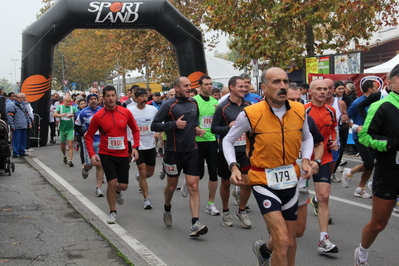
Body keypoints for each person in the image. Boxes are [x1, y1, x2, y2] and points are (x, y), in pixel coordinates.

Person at [222, 68, 314, 266]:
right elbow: (228, 140)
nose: (282, 86)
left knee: (289, 241)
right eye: (276, 82)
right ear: (264, 88)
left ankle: (264, 249)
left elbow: (307, 137)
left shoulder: (299, 110)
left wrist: (306, 159)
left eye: (285, 81)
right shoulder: (250, 114)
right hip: (263, 180)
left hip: (291, 179)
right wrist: (234, 167)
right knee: (282, 240)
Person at [151, 77, 208, 237]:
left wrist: (196, 129)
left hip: (191, 151)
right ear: (177, 88)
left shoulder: (193, 103)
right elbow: (154, 125)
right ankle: (167, 207)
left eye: (190, 85)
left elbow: (194, 121)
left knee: (193, 186)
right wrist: (173, 125)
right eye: (186, 86)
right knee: (171, 186)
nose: (189, 88)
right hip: (173, 152)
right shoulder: (168, 105)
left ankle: (195, 223)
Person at [354, 64, 399, 266]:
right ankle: (362, 253)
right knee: (379, 223)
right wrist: (390, 144)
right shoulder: (381, 106)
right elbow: (364, 136)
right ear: (391, 82)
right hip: (389, 171)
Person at [85, 86, 140, 224]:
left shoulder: (125, 112)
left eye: (113, 95)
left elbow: (135, 130)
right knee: (111, 183)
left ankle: (118, 192)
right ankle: (112, 212)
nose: (110, 98)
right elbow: (88, 136)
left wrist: (135, 147)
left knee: (122, 186)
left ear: (116, 97)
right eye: (108, 96)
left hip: (122, 154)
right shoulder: (98, 116)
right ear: (103, 98)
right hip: (106, 154)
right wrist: (92, 154)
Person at [211, 76, 253, 228]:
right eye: (240, 86)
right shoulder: (222, 107)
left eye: (245, 86)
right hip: (227, 150)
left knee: (247, 183)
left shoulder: (249, 106)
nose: (244, 89)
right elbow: (214, 129)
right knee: (227, 182)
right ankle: (226, 210)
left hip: (244, 150)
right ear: (232, 88)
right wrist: (229, 127)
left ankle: (241, 211)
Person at [305, 79, 340, 254]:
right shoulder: (303, 111)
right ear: (310, 92)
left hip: (323, 158)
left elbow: (333, 129)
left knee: (324, 196)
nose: (323, 92)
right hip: (302, 160)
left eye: (326, 89)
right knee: (291, 200)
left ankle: (323, 239)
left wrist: (334, 142)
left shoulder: (331, 111)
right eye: (318, 89)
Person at [340, 80, 378, 199]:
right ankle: (349, 172)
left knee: (371, 165)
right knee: (369, 163)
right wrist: (355, 127)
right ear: (370, 90)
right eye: (376, 88)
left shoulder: (376, 101)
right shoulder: (358, 102)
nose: (378, 90)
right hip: (361, 137)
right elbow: (345, 119)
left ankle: (360, 189)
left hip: (373, 136)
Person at [128, 88, 158, 209]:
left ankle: (139, 178)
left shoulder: (153, 110)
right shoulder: (130, 111)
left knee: (150, 172)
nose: (144, 99)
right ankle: (147, 199)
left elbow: (157, 123)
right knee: (143, 171)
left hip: (150, 144)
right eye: (141, 97)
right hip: (137, 145)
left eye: (145, 96)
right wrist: (130, 143)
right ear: (135, 98)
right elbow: (126, 128)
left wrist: (157, 132)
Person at [194, 75, 220, 216]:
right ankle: (189, 185)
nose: (209, 86)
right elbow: (190, 120)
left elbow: (217, 122)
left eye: (211, 84)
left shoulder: (215, 102)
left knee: (213, 173)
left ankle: (211, 203)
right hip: (198, 142)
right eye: (206, 84)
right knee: (198, 175)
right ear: (200, 86)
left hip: (211, 141)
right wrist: (196, 128)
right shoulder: (194, 102)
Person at [75, 93, 104, 197]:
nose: (93, 100)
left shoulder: (102, 111)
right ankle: (86, 168)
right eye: (91, 99)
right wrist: (84, 133)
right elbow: (77, 126)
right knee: (90, 165)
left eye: (95, 99)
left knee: (100, 164)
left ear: (98, 100)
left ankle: (98, 188)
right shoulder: (83, 112)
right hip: (89, 142)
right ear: (88, 101)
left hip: (101, 141)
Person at [54, 96, 78, 167]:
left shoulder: (72, 108)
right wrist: (62, 115)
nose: (68, 103)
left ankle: (70, 160)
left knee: (70, 144)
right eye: (67, 101)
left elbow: (78, 113)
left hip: (70, 129)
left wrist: (72, 115)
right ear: (64, 101)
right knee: (62, 146)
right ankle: (64, 156)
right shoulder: (60, 107)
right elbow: (54, 114)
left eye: (69, 101)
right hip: (62, 129)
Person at [7, 93, 32, 158]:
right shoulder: (12, 105)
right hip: (16, 126)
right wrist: (12, 125)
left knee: (23, 140)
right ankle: (16, 152)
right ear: (16, 98)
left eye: (22, 97)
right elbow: (10, 116)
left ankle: (22, 151)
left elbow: (27, 115)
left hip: (24, 125)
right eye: (19, 97)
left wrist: (29, 123)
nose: (21, 99)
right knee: (16, 140)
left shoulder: (23, 105)